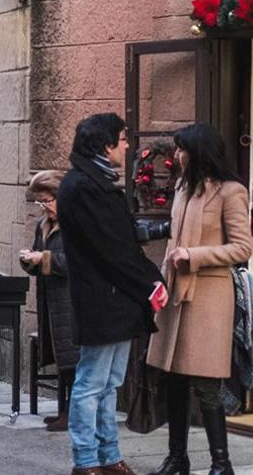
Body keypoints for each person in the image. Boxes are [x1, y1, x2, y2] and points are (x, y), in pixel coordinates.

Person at [57, 113, 167, 475]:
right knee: (92, 383)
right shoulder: (84, 187)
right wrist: (150, 283)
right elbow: (112, 249)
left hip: (117, 299)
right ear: (105, 145)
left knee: (109, 384)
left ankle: (108, 455)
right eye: (121, 139)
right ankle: (86, 459)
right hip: (102, 298)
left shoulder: (99, 184)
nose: (126, 146)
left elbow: (121, 241)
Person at [146, 124, 252, 475]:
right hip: (176, 294)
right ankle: (178, 458)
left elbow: (242, 247)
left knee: (207, 383)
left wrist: (195, 254)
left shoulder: (231, 192)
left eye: (182, 150)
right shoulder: (182, 188)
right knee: (174, 378)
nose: (176, 156)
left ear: (199, 152)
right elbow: (175, 237)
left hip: (209, 295)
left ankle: (221, 463)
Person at [19, 170, 78, 432]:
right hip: (50, 299)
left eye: (47, 200)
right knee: (62, 359)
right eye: (40, 202)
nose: (44, 206)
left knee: (73, 361)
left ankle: (72, 413)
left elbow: (76, 262)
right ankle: (63, 410)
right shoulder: (43, 224)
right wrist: (29, 260)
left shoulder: (75, 223)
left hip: (70, 300)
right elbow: (40, 256)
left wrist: (41, 259)